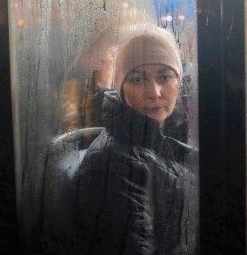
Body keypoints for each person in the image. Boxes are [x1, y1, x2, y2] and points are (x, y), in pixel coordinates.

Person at [68, 25, 198, 254]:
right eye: (138, 79)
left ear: (179, 81)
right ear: (121, 88)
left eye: (165, 76)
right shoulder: (119, 164)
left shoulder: (157, 139)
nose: (155, 92)